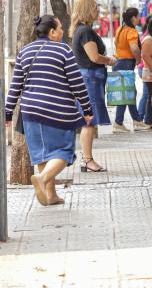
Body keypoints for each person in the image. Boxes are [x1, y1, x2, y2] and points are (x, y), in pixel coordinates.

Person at [5, 16, 93, 206]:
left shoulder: (24, 52)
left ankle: (51, 195)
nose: (62, 31)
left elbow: (15, 86)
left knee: (42, 153)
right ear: (52, 32)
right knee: (64, 152)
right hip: (58, 111)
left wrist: (8, 112)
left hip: (30, 112)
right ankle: (42, 178)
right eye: (60, 28)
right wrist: (87, 108)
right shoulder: (63, 51)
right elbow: (77, 83)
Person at [71, 0, 116, 172]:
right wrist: (109, 60)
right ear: (87, 9)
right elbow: (94, 57)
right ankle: (87, 159)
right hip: (90, 78)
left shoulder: (81, 30)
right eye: (95, 7)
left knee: (89, 120)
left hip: (89, 78)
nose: (98, 10)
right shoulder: (85, 31)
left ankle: (87, 159)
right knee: (89, 120)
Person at [112, 8, 150, 132]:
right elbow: (134, 48)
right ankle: (119, 122)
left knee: (128, 92)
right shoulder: (131, 31)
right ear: (133, 18)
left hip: (118, 62)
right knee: (127, 93)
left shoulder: (120, 29)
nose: (139, 19)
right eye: (138, 16)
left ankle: (136, 121)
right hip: (126, 63)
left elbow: (116, 43)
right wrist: (138, 59)